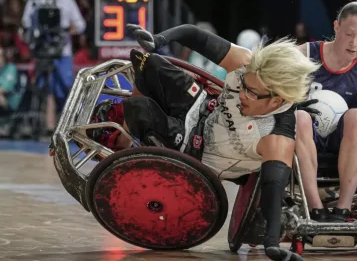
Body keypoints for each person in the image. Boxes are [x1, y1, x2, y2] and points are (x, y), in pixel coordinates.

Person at [88, 23, 319, 261]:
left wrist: (272, 245)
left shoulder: (276, 138)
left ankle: (120, 147)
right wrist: (158, 40)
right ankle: (125, 132)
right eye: (243, 85)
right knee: (148, 61)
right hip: (199, 107)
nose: (242, 93)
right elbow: (194, 34)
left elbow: (272, 192)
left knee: (138, 109)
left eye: (251, 92)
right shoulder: (246, 63)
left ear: (276, 101)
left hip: (195, 151)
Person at [294, 1, 357, 222]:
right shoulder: (303, 55)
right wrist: (291, 105)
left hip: (343, 142)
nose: (354, 43)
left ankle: (342, 209)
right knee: (300, 116)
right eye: (349, 34)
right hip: (304, 135)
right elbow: (271, 97)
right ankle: (315, 208)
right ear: (336, 27)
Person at [22, 0, 86, 136]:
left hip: (62, 51)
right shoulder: (33, 1)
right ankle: (49, 128)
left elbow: (80, 25)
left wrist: (65, 30)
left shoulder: (66, 0)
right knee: (47, 89)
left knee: (66, 87)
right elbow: (25, 23)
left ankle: (73, 125)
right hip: (42, 50)